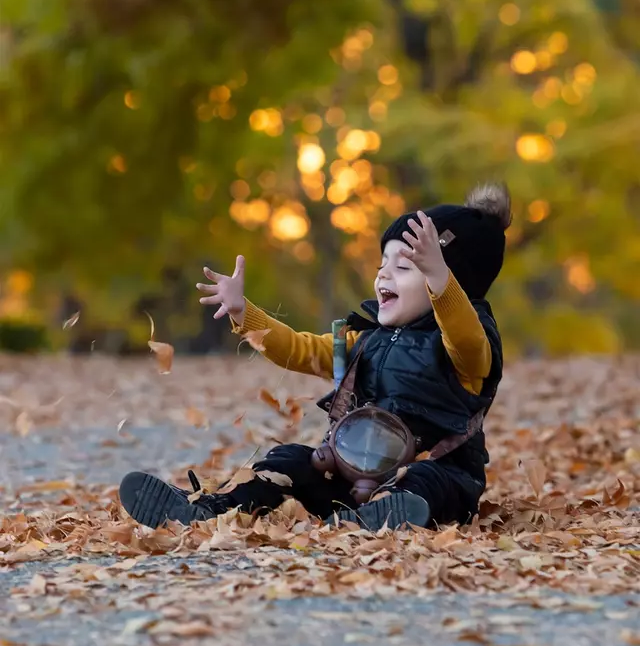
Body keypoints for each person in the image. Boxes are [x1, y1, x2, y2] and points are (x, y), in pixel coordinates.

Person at [119, 182, 511, 531]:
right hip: (349, 471)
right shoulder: (365, 341)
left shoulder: (467, 352)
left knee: (425, 480)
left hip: (437, 475)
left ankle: (384, 517)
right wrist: (244, 313)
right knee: (287, 459)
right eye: (381, 265)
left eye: (405, 267)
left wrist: (442, 281)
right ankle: (212, 509)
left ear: (452, 285)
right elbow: (299, 348)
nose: (383, 276)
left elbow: (465, 336)